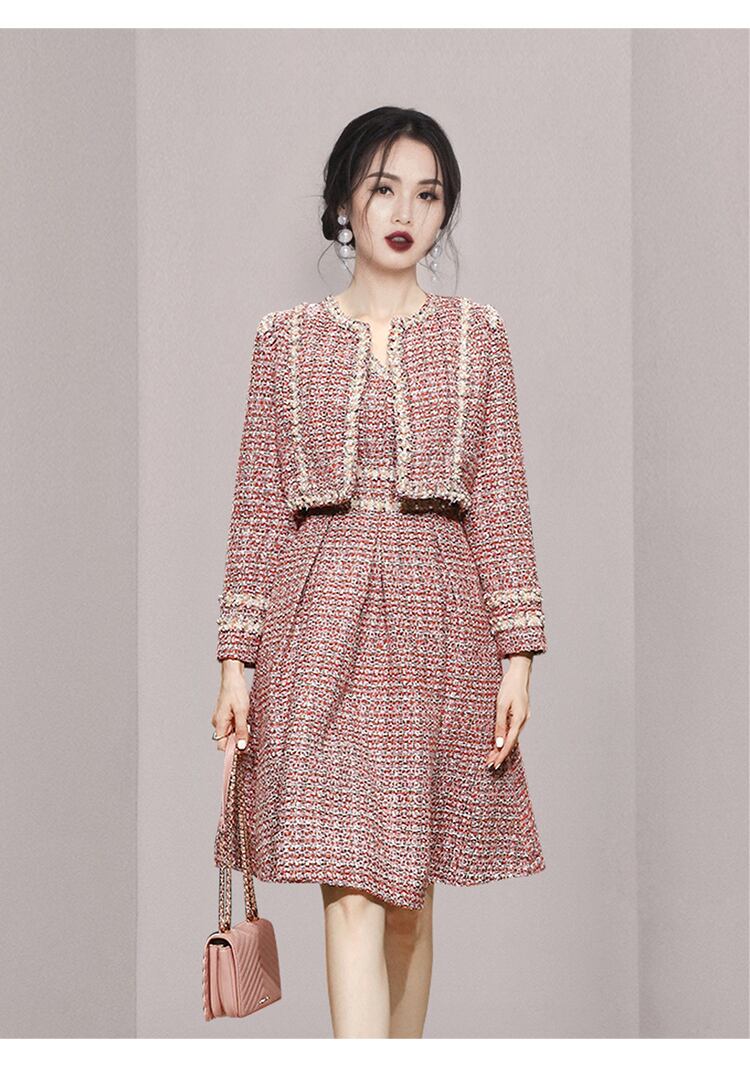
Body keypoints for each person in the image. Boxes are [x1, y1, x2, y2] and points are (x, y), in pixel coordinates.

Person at [210, 105, 548, 1038]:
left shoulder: (480, 336)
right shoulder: (283, 340)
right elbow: (258, 506)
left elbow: (502, 499)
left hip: (440, 626)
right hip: (317, 624)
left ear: (445, 213)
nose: (405, 212)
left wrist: (518, 656)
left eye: (427, 195)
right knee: (350, 891)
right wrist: (236, 661)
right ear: (343, 203)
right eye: (383, 188)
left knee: (407, 901)